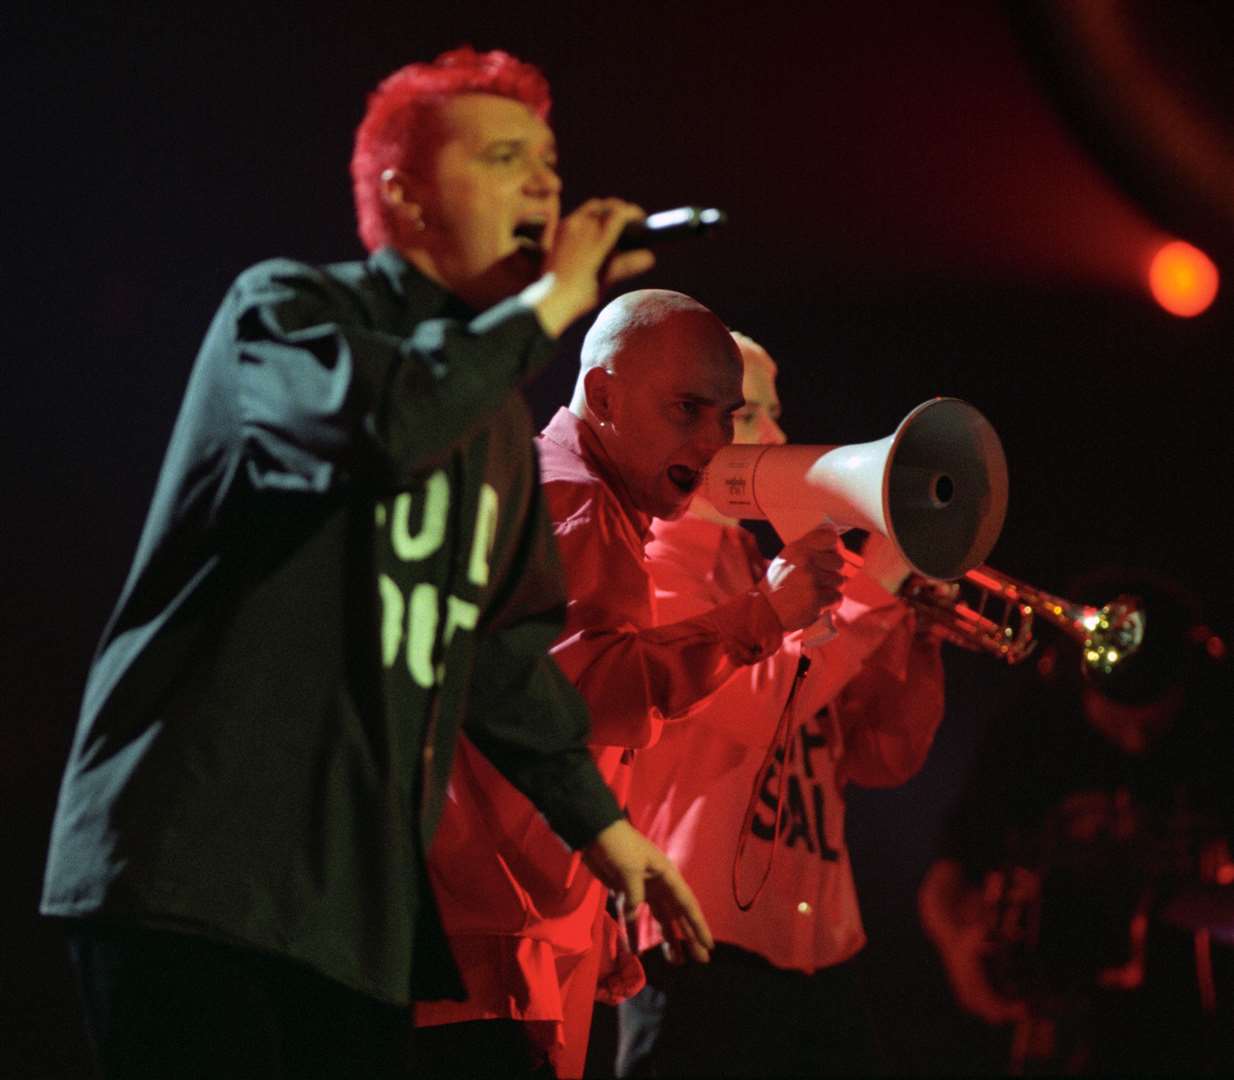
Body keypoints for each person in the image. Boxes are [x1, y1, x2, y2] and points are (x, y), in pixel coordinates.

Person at [40, 47, 712, 1080]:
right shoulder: (286, 313)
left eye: (547, 162)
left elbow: (499, 657)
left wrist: (605, 831)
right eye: (502, 158)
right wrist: (543, 309)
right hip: (195, 881)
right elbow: (376, 424)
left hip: (351, 923)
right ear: (404, 196)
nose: (542, 184)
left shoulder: (493, 414)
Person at [416, 295, 844, 1077]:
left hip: (506, 944)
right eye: (688, 410)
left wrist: (594, 913)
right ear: (604, 396)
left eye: (727, 417)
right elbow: (590, 696)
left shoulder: (566, 495)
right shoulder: (576, 503)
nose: (714, 443)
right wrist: (769, 612)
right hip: (491, 955)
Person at [611, 331, 947, 1077]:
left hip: (821, 950)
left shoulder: (769, 568)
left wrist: (914, 637)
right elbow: (758, 707)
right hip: (699, 946)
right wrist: (878, 583)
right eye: (753, 414)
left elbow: (883, 757)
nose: (780, 437)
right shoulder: (648, 566)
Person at [919, 568, 1234, 1074]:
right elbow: (945, 877)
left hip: (1191, 1040)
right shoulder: (1031, 737)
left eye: (1153, 721)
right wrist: (960, 953)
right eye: (1119, 718)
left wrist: (1153, 896)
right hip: (1054, 1042)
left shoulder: (1216, 735)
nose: (1136, 741)